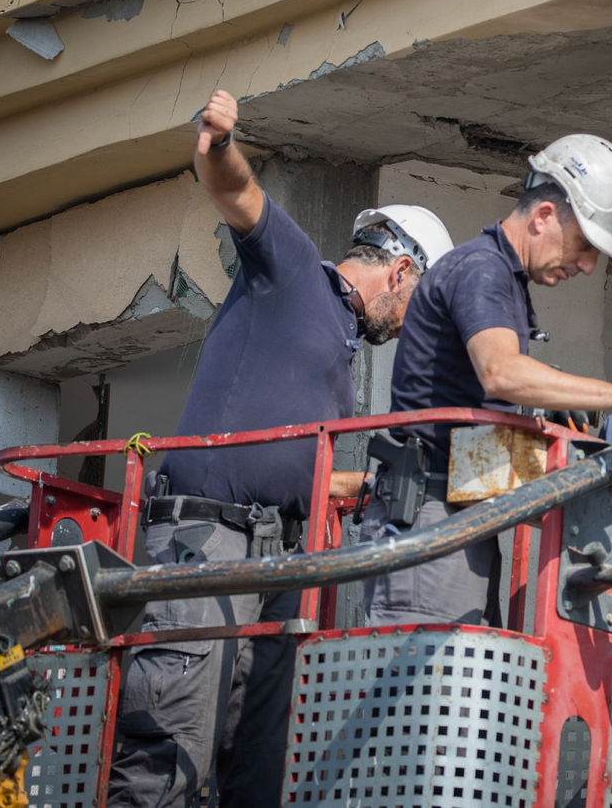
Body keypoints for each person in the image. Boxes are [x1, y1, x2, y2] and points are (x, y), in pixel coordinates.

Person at [107, 90, 454, 808]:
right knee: (170, 753)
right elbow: (238, 195)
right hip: (209, 546)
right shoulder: (295, 273)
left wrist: (394, 485)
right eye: (422, 304)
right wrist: (219, 143)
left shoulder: (339, 351)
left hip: (277, 559)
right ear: (400, 272)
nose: (413, 325)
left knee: (258, 768)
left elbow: (295, 471)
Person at [361, 133, 612, 626]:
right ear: (543, 216)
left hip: (457, 516)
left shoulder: (499, 278)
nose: (588, 265)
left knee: (467, 670)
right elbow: (500, 372)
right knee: (428, 673)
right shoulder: (482, 269)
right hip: (430, 517)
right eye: (585, 245)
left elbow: (481, 387)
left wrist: (545, 410)